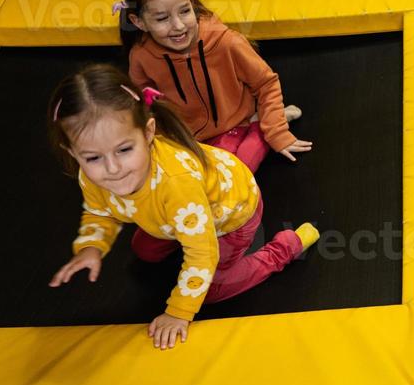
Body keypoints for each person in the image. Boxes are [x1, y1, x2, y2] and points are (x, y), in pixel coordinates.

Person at [47, 64, 318, 349]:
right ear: (73, 153)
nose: (112, 169)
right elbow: (99, 211)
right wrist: (91, 246)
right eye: (92, 158)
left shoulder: (176, 186)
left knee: (212, 289)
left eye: (124, 150)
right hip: (193, 202)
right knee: (144, 252)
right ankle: (252, 138)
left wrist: (178, 312)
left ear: (149, 132)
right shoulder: (90, 175)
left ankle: (285, 248)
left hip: (232, 216)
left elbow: (202, 254)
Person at [119, 0, 311, 172]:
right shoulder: (141, 56)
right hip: (188, 138)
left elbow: (266, 83)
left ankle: (261, 126)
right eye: (162, 18)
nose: (179, 26)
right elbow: (143, 102)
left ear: (191, 2)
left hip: (237, 123)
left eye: (184, 11)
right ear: (139, 22)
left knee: (237, 169)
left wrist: (276, 132)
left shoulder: (226, 42)